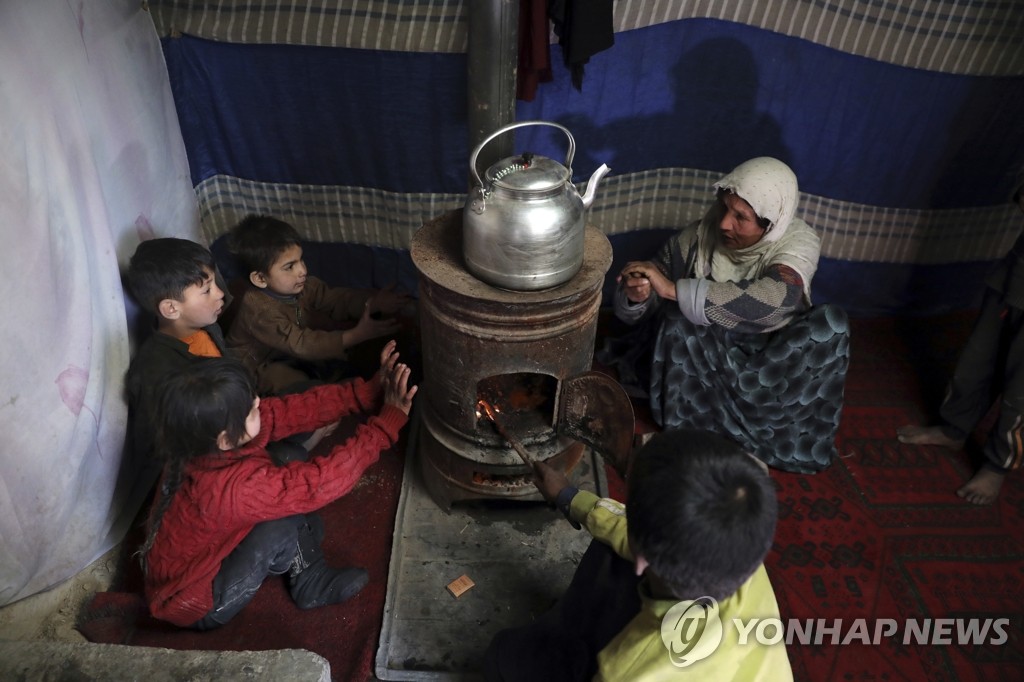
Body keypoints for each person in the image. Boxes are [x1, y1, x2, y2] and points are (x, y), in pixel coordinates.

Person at [138, 340, 417, 629]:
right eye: (250, 409)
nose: (259, 402)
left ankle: (298, 539)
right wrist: (386, 425)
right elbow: (317, 484)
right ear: (225, 440)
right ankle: (311, 580)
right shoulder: (232, 490)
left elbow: (281, 413)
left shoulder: (197, 443)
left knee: (286, 457)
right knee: (281, 519)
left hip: (196, 556)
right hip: (199, 601)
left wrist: (364, 393)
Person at [598, 157, 849, 473]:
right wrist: (639, 294)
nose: (724, 224)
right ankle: (698, 436)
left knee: (832, 324)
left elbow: (780, 299)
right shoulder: (698, 240)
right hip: (711, 356)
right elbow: (647, 304)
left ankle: (770, 439)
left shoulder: (797, 241)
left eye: (741, 217)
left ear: (770, 225)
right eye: (725, 208)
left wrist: (672, 289)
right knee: (676, 321)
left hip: (771, 356)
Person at [483, 429, 791, 681]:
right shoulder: (734, 550)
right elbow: (626, 530)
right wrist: (569, 498)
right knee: (611, 548)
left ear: (643, 558)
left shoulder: (629, 672)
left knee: (502, 658)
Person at [125, 237, 310, 468]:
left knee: (308, 397)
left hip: (244, 417)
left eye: (215, 283)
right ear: (171, 308)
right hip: (218, 452)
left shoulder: (206, 326)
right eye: (207, 290)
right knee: (291, 455)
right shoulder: (155, 370)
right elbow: (155, 445)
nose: (220, 293)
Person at [897, 178, 1024, 504]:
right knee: (976, 361)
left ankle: (997, 465)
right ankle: (954, 428)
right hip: (1017, 273)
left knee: (1020, 392)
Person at [223, 214, 414, 396]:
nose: (302, 271)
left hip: (286, 351)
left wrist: (373, 303)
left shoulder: (301, 286)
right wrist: (355, 336)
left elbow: (336, 299)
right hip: (255, 368)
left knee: (332, 355)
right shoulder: (259, 310)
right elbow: (301, 343)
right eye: (289, 266)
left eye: (301, 260)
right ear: (260, 278)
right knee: (284, 378)